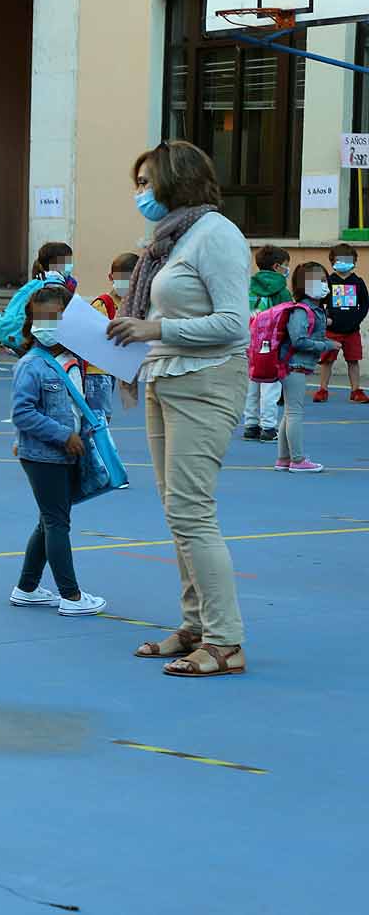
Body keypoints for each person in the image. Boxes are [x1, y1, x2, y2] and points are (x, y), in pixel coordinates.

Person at [107, 140, 250, 677]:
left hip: (206, 380)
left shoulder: (216, 236)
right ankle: (195, 625)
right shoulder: (167, 241)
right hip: (165, 377)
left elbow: (236, 323)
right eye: (137, 183)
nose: (139, 193)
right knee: (177, 513)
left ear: (177, 181)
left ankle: (226, 640)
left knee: (192, 511)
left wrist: (155, 328)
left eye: (147, 183)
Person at [8, 283, 108, 617]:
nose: (49, 324)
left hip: (64, 452)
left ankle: (28, 587)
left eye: (57, 317)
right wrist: (63, 435)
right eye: (43, 317)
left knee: (49, 519)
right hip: (43, 454)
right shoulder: (31, 365)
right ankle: (71, 595)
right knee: (56, 522)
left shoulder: (70, 359)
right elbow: (22, 412)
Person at [276, 261, 335, 473]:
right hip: (294, 365)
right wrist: (326, 345)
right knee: (294, 413)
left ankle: (284, 458)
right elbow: (298, 340)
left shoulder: (314, 310)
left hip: (294, 365)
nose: (323, 284)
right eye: (317, 280)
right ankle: (298, 460)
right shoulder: (302, 310)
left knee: (289, 412)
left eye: (323, 279)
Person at [83, 251, 139, 424]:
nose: (127, 284)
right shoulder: (103, 304)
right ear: (111, 277)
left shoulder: (128, 305)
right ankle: (96, 449)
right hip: (96, 371)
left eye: (131, 280)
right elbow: (93, 337)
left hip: (110, 371)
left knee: (103, 415)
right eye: (122, 279)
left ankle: (96, 448)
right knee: (100, 418)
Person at [242, 245, 290, 441]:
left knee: (252, 384)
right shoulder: (282, 291)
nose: (288, 269)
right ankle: (268, 427)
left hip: (249, 341)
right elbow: (288, 315)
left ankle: (250, 424)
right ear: (277, 266)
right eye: (286, 265)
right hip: (271, 344)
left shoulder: (248, 286)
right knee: (270, 385)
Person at [316, 243, 367, 403]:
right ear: (332, 261)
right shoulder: (328, 281)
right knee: (327, 360)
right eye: (339, 260)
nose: (343, 263)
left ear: (354, 261)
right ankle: (323, 389)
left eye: (348, 260)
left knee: (353, 360)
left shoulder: (358, 282)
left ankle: (356, 390)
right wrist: (325, 319)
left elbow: (365, 304)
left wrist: (356, 320)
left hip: (352, 331)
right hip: (332, 330)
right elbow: (318, 303)